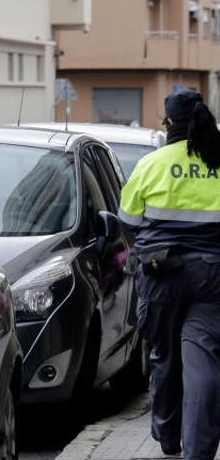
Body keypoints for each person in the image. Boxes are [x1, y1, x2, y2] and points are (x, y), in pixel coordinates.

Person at [119, 88, 220, 459]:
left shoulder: (152, 163)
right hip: (212, 275)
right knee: (202, 359)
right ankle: (199, 449)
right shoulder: (218, 159)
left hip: (162, 275)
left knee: (163, 354)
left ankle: (167, 438)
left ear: (170, 124)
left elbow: (128, 221)